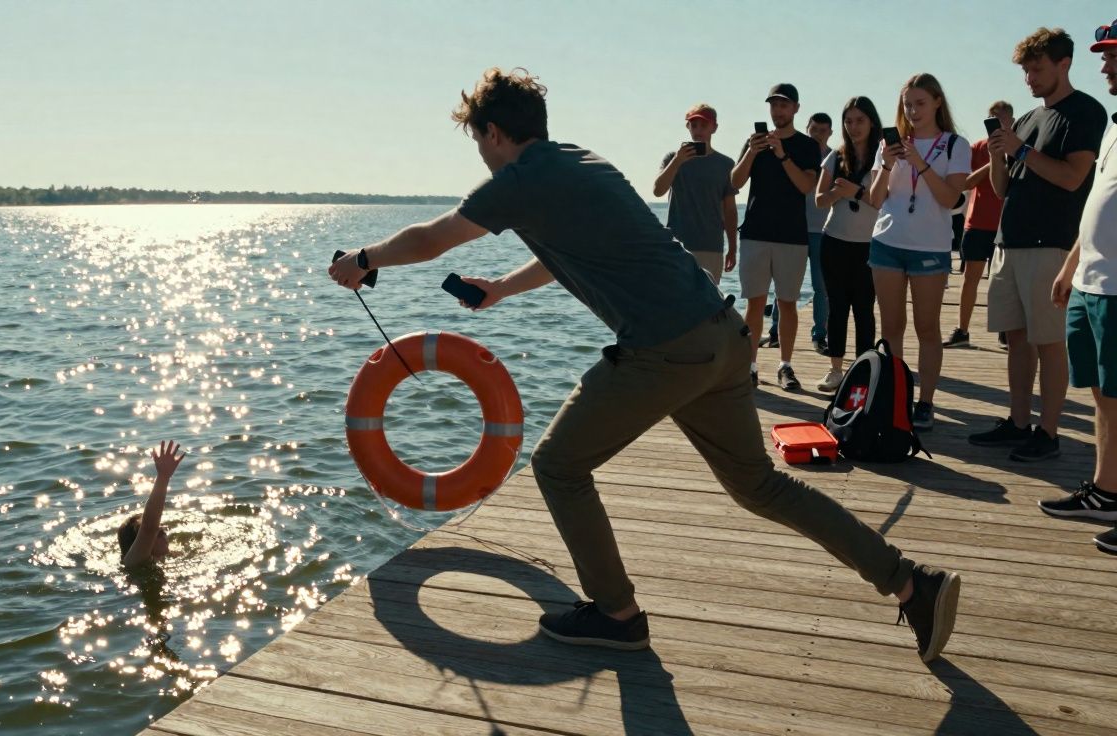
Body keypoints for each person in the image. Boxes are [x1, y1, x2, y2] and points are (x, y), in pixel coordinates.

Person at [330, 67, 961, 662]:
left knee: (557, 466)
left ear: (494, 133)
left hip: (665, 348)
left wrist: (365, 256)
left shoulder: (518, 180)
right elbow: (567, 251)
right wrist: (499, 288)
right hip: (720, 336)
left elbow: (434, 236)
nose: (481, 153)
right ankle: (911, 583)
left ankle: (618, 615)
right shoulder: (581, 162)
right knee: (761, 486)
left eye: (479, 141)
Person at [972, 28, 1108, 463]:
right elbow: (1000, 188)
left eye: (1037, 69)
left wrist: (1022, 150)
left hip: (1050, 245)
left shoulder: (1085, 111)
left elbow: (1073, 178)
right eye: (1026, 71)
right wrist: (999, 153)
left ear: (1064, 64)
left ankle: (1048, 432)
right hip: (1008, 243)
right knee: (1016, 338)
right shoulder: (1028, 119)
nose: (1029, 78)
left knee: (1049, 342)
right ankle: (1017, 422)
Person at [1038, 25, 1117, 553]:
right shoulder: (1113, 127)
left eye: (1113, 58)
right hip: (1092, 278)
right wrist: (1072, 264)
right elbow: (1098, 205)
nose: (1106, 67)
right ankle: (1106, 490)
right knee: (1102, 395)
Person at [868, 73, 971, 432]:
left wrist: (921, 164)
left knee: (927, 328)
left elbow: (951, 199)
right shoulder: (890, 145)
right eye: (907, 104)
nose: (912, 111)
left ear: (937, 102)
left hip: (929, 247)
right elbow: (875, 200)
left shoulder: (955, 145)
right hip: (887, 244)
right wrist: (886, 164)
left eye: (920, 103)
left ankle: (925, 402)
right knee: (891, 326)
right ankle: (897, 397)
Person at [731, 83, 823, 390]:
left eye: (784, 105)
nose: (778, 110)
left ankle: (785, 366)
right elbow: (735, 182)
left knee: (787, 303)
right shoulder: (754, 142)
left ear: (796, 108)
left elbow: (806, 186)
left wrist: (782, 156)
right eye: (774, 105)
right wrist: (752, 153)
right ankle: (750, 365)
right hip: (756, 233)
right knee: (755, 303)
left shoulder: (807, 146)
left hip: (791, 236)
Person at [813, 97, 882, 391]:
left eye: (860, 121)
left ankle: (863, 371)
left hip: (870, 245)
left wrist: (855, 191)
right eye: (848, 121)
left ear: (871, 122)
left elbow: (881, 202)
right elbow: (819, 200)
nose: (853, 127)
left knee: (864, 309)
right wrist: (835, 194)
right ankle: (835, 369)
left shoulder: (882, 156)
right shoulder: (835, 156)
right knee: (837, 307)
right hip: (834, 242)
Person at [945, 101, 1016, 348]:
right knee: (970, 279)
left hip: (1005, 225)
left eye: (1001, 118)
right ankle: (962, 330)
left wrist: (1005, 155)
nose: (996, 122)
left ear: (1011, 122)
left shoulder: (1018, 148)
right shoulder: (978, 148)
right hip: (976, 223)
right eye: (992, 118)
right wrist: (992, 161)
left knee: (1002, 283)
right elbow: (964, 184)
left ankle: (1005, 332)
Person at [766, 111, 834, 354]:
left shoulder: (834, 160)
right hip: (792, 228)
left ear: (830, 133)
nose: (817, 135)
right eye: (814, 129)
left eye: (823, 131)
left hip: (820, 231)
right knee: (783, 285)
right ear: (807, 128)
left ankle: (820, 334)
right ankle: (774, 331)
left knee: (820, 286)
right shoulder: (794, 152)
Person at [653, 104, 738, 284]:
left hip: (711, 246)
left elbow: (730, 210)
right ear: (688, 127)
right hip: (677, 245)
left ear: (714, 127)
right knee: (675, 301)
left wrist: (732, 247)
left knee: (708, 305)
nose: (698, 130)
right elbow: (658, 191)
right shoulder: (672, 158)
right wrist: (677, 161)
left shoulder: (725, 164)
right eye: (694, 125)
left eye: (704, 125)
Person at [118, 440, 186, 568]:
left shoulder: (166, 558)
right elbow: (149, 527)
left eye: (160, 530)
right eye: (158, 533)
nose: (163, 530)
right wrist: (163, 477)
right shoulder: (133, 561)